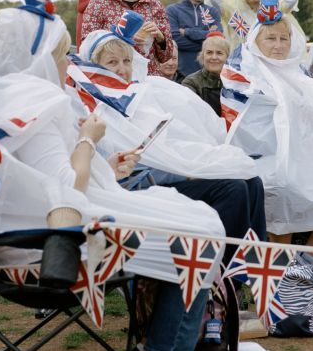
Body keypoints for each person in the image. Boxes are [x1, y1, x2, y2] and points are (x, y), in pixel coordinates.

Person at [0, 0, 227, 351]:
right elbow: (67, 189)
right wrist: (89, 137)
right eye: (61, 55)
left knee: (198, 218)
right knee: (202, 232)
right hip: (52, 246)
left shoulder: (3, 94)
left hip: (23, 232)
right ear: (38, 57)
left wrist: (109, 165)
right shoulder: (38, 104)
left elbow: (42, 178)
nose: (69, 64)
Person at [75, 26, 266, 248]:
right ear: (92, 66)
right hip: (141, 186)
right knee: (233, 188)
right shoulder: (93, 110)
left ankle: (254, 260)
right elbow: (124, 170)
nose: (122, 69)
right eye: (112, 62)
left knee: (251, 179)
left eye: (127, 61)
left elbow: (171, 143)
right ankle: (222, 269)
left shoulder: (137, 96)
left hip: (171, 172)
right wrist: (184, 172)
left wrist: (195, 162)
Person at [223, 0, 313, 246]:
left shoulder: (299, 75)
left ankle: (305, 259)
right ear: (256, 40)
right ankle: (282, 259)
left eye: (283, 38)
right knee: (282, 188)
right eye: (270, 38)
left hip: (304, 153)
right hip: (263, 156)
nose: (278, 45)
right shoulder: (244, 72)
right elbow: (245, 124)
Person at [206, 0, 298, 55]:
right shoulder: (233, 13)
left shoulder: (269, 11)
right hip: (240, 62)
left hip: (265, 59)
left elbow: (292, 0)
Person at [166, 0, 223, 82]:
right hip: (181, 76)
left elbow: (219, 40)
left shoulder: (212, 12)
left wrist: (187, 32)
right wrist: (208, 39)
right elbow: (175, 41)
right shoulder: (172, 10)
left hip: (209, 78)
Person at [182, 33, 231, 116]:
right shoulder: (191, 82)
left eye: (219, 53)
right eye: (209, 52)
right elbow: (190, 113)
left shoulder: (235, 82)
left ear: (227, 57)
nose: (214, 57)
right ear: (203, 56)